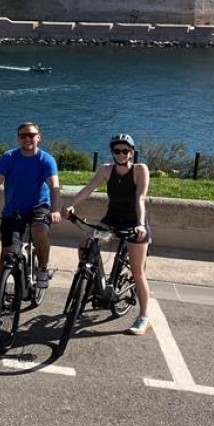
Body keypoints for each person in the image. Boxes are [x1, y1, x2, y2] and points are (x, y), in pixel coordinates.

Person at [61, 133, 152, 335]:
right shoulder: (106, 169)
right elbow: (88, 189)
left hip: (134, 222)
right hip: (111, 219)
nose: (121, 154)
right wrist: (71, 205)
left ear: (132, 153)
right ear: (112, 152)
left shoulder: (140, 170)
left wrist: (140, 225)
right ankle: (95, 282)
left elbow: (140, 198)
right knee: (85, 243)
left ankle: (144, 317)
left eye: (125, 151)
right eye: (117, 151)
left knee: (138, 272)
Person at [0, 121, 61, 293]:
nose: (27, 138)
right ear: (18, 138)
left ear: (39, 137)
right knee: (6, 254)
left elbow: (54, 186)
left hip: (39, 206)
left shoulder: (46, 159)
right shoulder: (9, 157)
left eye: (31, 135)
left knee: (39, 229)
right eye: (23, 135)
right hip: (14, 210)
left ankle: (43, 269)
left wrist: (55, 210)